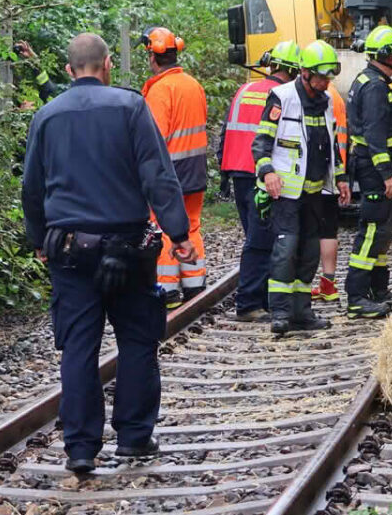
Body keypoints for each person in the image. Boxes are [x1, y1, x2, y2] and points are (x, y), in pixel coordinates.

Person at [21, 33, 194, 475]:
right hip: (128, 249)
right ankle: (135, 438)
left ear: (68, 70)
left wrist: (40, 241)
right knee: (137, 340)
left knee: (78, 346)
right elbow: (158, 174)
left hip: (69, 250)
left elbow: (33, 189)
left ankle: (81, 447)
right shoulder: (131, 107)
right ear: (108, 64)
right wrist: (179, 232)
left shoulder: (46, 115)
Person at [252, 40, 351, 337]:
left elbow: (332, 145)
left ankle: (301, 311)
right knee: (285, 251)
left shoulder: (325, 102)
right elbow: (261, 142)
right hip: (287, 194)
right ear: (305, 73)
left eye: (328, 77)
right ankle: (280, 313)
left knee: (309, 252)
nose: (325, 82)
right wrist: (267, 171)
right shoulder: (281, 97)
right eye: (321, 77)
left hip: (315, 192)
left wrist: (342, 177)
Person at [217, 40, 300, 321]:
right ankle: (250, 303)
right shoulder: (282, 96)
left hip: (237, 172)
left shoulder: (245, 89)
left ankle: (259, 297)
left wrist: (224, 173)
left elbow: (226, 133)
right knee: (260, 241)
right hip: (259, 174)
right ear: (293, 70)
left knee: (255, 237)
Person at [343, 25, 392, 319]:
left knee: (383, 232)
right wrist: (386, 174)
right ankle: (357, 297)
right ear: (387, 56)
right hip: (375, 170)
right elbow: (374, 134)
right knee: (371, 232)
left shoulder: (376, 81)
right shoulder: (374, 87)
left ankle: (378, 290)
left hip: (379, 167)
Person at [140, 27, 208, 306]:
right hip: (195, 172)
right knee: (191, 226)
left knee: (162, 226)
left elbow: (153, 139)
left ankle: (167, 290)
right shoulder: (194, 85)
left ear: (153, 58)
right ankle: (194, 284)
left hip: (170, 175)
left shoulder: (159, 91)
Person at [310, 83, 348, 304]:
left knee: (308, 231)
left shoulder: (312, 94)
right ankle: (329, 284)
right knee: (328, 230)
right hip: (334, 169)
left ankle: (299, 288)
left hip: (315, 173)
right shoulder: (334, 94)